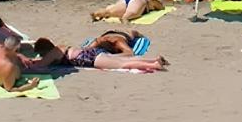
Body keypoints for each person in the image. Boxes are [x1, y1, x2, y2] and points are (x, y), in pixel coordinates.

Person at [37, 32, 169, 72]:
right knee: (122, 60)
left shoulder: (53, 53)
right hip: (92, 53)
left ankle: (154, 65)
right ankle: (154, 60)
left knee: (122, 64)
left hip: (90, 57)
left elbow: (41, 65)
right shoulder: (60, 47)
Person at [90, 0, 165, 23]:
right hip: (138, 1)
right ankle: (125, 18)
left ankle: (96, 13)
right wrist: (161, 7)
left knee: (109, 11)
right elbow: (160, 6)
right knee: (131, 13)